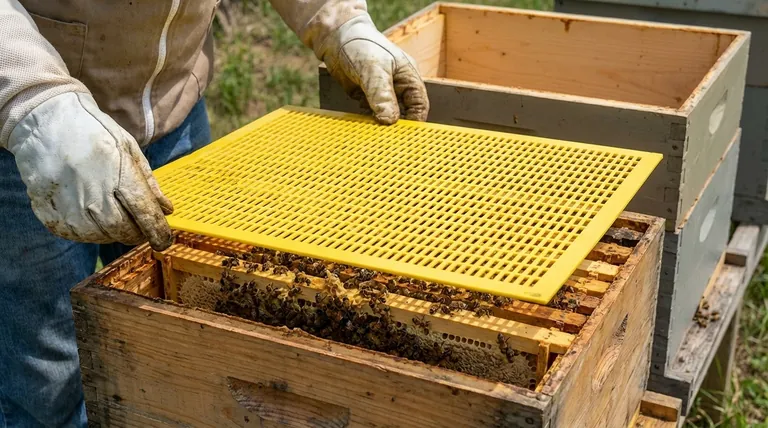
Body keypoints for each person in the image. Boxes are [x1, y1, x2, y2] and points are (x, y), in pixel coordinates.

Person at [0, 0, 429, 425]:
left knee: (189, 352)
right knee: (46, 376)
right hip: (41, 138)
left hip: (174, 114)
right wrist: (35, 102)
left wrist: (339, 22)